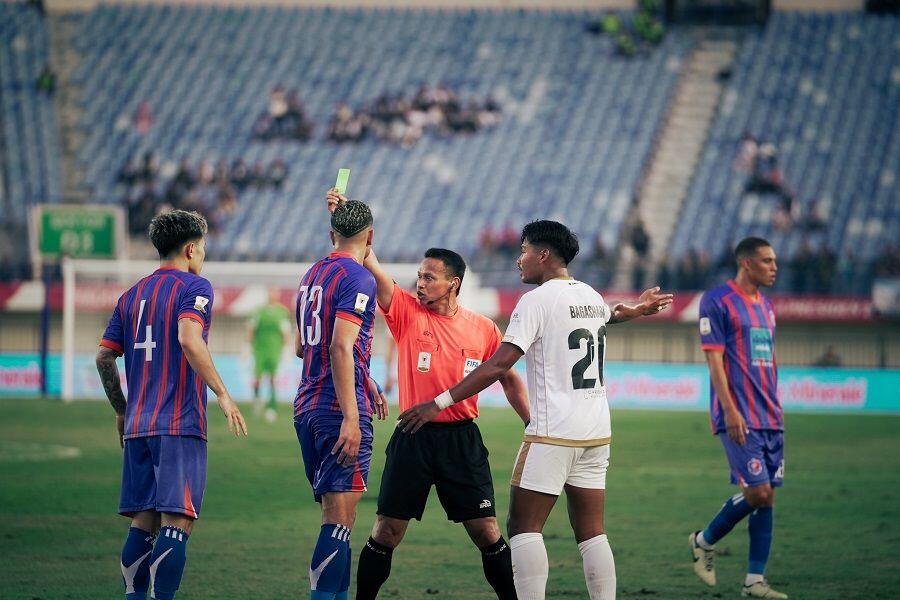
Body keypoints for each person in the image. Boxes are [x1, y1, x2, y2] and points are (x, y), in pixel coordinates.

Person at [397, 220, 673, 600]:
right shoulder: (590, 295)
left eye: (524, 250)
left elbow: (496, 366)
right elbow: (611, 314)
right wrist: (639, 310)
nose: (518, 259)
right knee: (592, 532)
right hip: (596, 432)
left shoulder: (535, 301)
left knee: (523, 527)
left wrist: (438, 403)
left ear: (543, 254)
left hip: (552, 432)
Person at [325, 191, 530, 600]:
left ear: (453, 283)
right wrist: (344, 217)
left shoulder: (484, 329)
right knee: (386, 530)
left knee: (487, 532)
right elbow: (368, 259)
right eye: (419, 276)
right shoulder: (404, 311)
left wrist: (532, 421)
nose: (420, 283)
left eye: (429, 277)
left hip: (461, 440)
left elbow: (509, 378)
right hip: (412, 439)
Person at [95, 210, 248, 600]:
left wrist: (120, 410)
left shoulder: (131, 295)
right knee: (176, 521)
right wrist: (223, 393)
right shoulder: (194, 287)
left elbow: (103, 357)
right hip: (179, 423)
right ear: (192, 248)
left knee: (142, 522)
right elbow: (189, 338)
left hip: (138, 425)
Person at [294, 199, 389, 600]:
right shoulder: (358, 279)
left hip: (307, 405)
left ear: (331, 235)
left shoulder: (311, 275)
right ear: (370, 237)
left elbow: (304, 348)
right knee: (338, 519)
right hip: (337, 410)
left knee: (337, 516)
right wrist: (352, 415)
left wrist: (365, 380)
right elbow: (338, 345)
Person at [690, 237, 787, 599]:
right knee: (757, 491)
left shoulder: (767, 307)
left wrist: (777, 408)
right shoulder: (717, 301)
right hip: (738, 415)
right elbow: (714, 360)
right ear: (747, 263)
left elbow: (768, 362)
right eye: (767, 260)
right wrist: (729, 410)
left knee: (768, 497)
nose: (774, 266)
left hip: (771, 416)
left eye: (774, 260)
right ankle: (703, 540)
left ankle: (754, 582)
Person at [247, 288, 291, 421]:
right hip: (259, 350)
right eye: (271, 292)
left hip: (274, 350)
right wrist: (247, 346)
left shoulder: (282, 312)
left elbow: (286, 332)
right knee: (257, 379)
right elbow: (251, 329)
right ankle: (256, 402)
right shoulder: (259, 311)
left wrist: (287, 349)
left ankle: (272, 407)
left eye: (275, 293)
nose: (273, 295)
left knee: (272, 379)